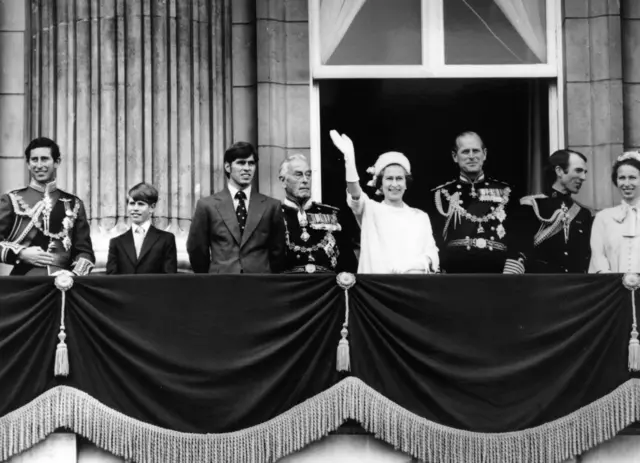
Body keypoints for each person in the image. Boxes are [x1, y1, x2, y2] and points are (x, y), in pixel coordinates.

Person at [330, 130, 439, 274]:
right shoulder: (370, 210)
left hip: (413, 286)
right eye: (389, 178)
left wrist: (413, 265)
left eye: (399, 178)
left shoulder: (420, 217)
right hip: (377, 288)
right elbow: (355, 193)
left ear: (406, 183)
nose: (394, 184)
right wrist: (349, 161)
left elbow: (432, 255)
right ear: (380, 184)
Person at [0, 137, 95, 276]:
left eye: (44, 159)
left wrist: (74, 275)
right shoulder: (11, 200)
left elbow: (85, 252)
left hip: (63, 284)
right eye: (34, 160)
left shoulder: (74, 203)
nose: (39, 165)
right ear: (28, 164)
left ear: (57, 162)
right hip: (23, 282)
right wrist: (20, 253)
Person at [186, 141, 285, 273]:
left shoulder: (271, 206)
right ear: (228, 167)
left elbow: (278, 251)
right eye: (241, 163)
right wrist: (209, 279)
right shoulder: (207, 205)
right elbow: (197, 249)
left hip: (260, 283)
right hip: (221, 283)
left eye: (251, 163)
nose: (247, 168)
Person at [431, 131, 512, 273]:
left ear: (484, 154)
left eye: (475, 151)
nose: (471, 156)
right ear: (455, 156)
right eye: (465, 152)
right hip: (455, 272)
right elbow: (434, 238)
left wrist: (513, 265)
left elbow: (517, 233)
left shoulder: (505, 191)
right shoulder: (442, 194)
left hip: (499, 272)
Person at [503, 149, 593, 274]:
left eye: (585, 172)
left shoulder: (583, 214)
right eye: (578, 170)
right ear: (559, 171)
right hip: (540, 286)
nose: (583, 177)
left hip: (574, 287)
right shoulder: (531, 206)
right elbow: (518, 253)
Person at [279, 153, 356, 273]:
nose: (305, 180)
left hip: (328, 287)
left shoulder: (332, 214)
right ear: (283, 181)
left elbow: (348, 262)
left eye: (308, 175)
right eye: (298, 175)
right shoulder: (274, 214)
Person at [106, 183, 177, 274]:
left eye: (141, 204)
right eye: (132, 203)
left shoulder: (166, 239)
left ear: (152, 207)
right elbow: (111, 280)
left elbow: (169, 278)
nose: (135, 208)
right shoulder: (116, 243)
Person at [589, 151, 640, 273]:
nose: (626, 184)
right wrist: (613, 284)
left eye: (632, 178)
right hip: (614, 288)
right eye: (622, 178)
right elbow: (598, 256)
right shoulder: (603, 217)